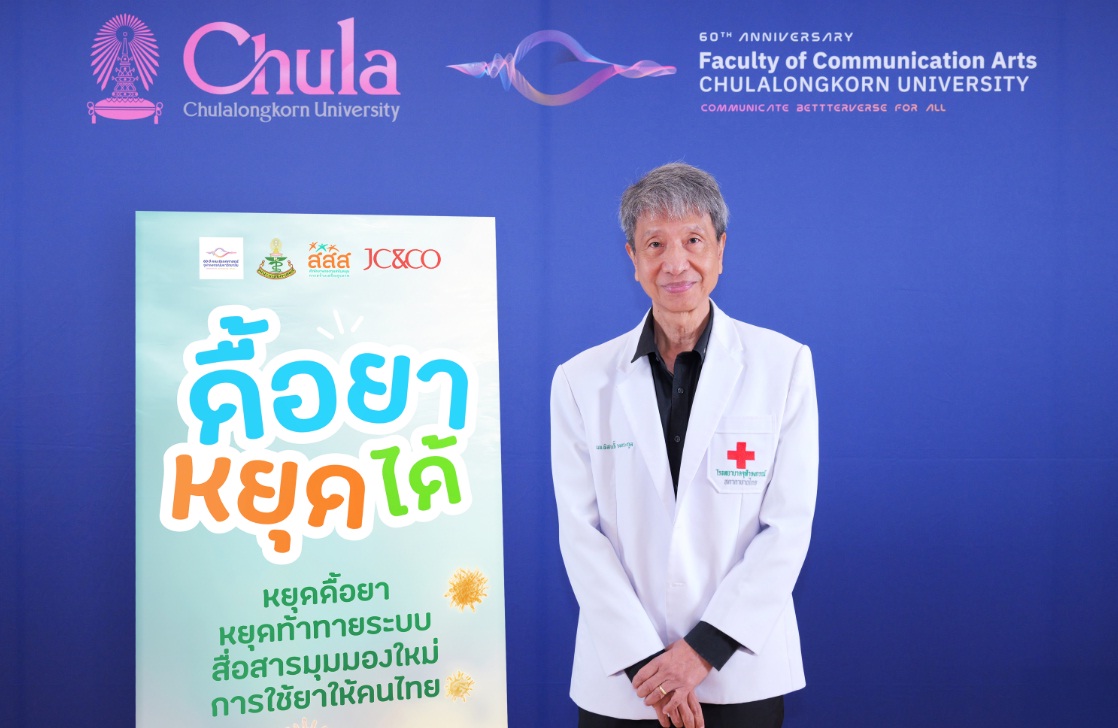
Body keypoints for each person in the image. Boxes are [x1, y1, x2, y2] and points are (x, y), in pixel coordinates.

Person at [550, 163, 818, 728]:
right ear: (633, 259)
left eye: (693, 240)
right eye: (655, 244)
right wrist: (649, 668)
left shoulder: (783, 365)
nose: (675, 263)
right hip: (625, 681)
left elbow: (787, 527)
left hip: (738, 673)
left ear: (720, 249)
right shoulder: (580, 380)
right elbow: (580, 535)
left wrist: (701, 652)